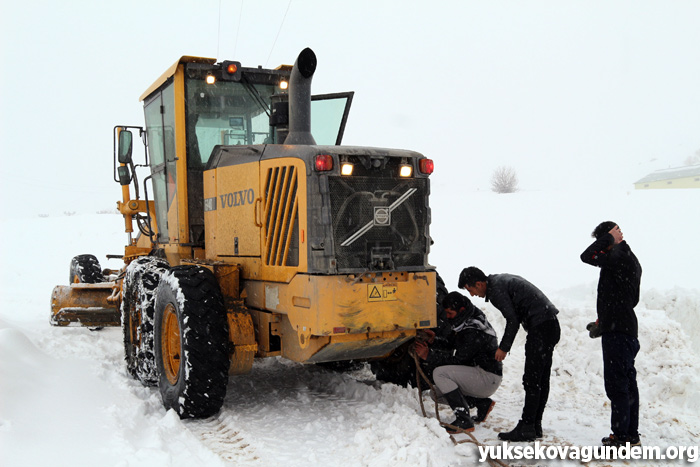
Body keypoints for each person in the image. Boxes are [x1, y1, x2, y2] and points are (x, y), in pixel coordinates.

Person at [459, 267, 560, 441]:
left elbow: (512, 320)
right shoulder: (499, 282)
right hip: (549, 325)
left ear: (479, 283)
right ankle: (534, 426)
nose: (473, 295)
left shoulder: (496, 289)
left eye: (471, 290)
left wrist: (503, 348)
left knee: (532, 380)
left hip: (541, 328)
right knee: (540, 379)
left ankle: (528, 426)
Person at [580, 221, 642, 447]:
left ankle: (621, 437)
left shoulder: (619, 257)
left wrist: (607, 238)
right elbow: (628, 298)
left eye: (602, 242)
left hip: (619, 332)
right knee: (627, 385)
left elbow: (586, 256)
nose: (600, 247)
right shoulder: (627, 259)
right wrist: (605, 320)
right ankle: (630, 435)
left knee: (617, 386)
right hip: (624, 329)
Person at [414, 291, 503, 433]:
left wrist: (428, 355)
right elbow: (452, 343)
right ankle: (482, 403)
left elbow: (459, 360)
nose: (447, 317)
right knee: (436, 394)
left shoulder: (472, 330)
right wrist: (433, 340)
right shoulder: (466, 319)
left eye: (450, 313)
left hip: (487, 377)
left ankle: (464, 420)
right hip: (481, 375)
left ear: (460, 310)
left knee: (440, 374)